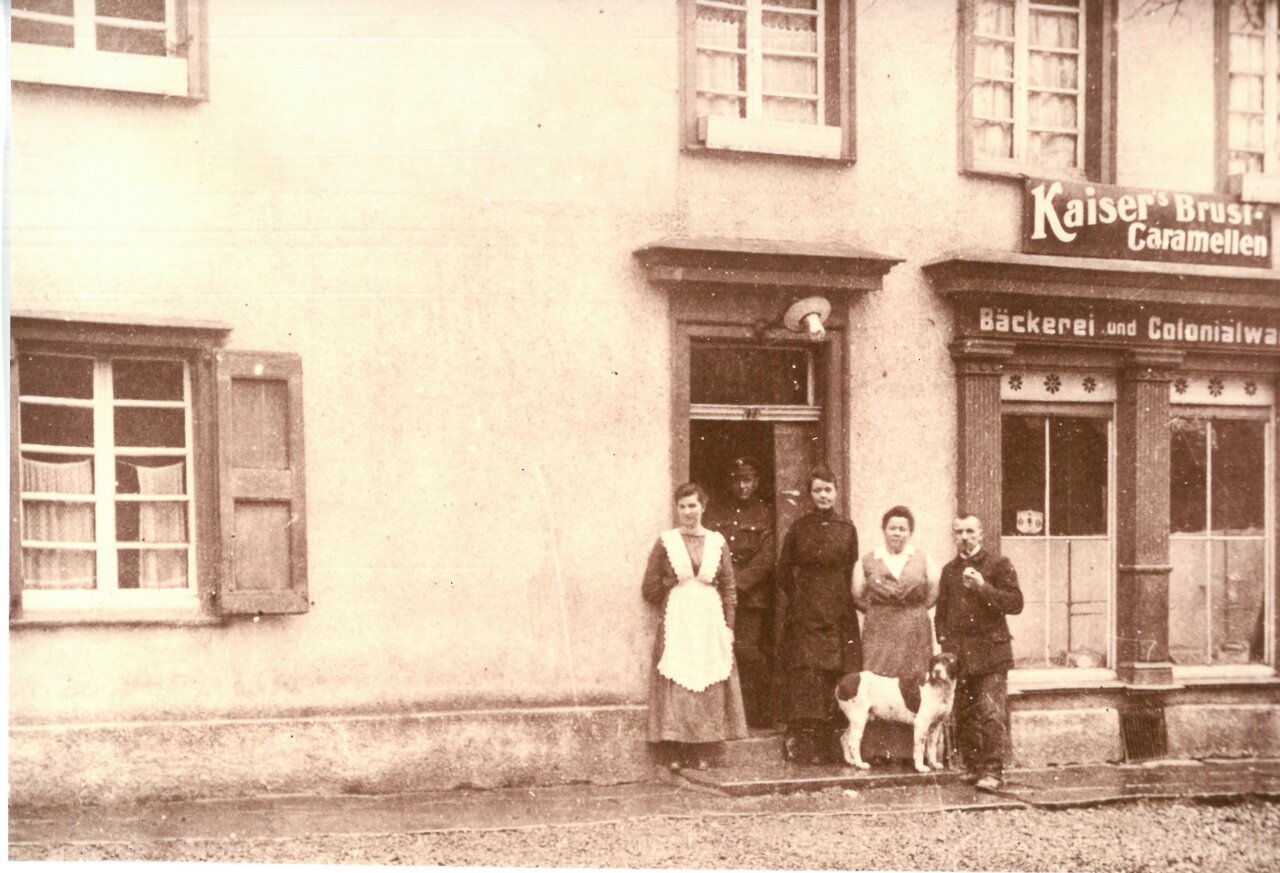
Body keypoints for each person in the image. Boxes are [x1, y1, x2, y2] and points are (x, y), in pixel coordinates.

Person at [642, 482, 748, 771]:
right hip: (678, 618)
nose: (688, 512)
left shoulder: (717, 542)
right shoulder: (666, 542)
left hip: (710, 619)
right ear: (676, 509)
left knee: (708, 678)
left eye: (693, 505)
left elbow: (729, 587)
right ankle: (676, 749)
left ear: (704, 506)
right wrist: (671, 582)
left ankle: (703, 748)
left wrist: (729, 626)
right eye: (682, 506)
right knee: (678, 679)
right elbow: (649, 589)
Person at [776, 466, 860, 764]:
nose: (823, 495)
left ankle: (832, 743)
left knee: (836, 669)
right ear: (810, 495)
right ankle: (807, 744)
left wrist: (841, 598)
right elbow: (784, 570)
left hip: (839, 607)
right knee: (808, 672)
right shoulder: (799, 528)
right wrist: (801, 597)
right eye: (817, 490)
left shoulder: (847, 528)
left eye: (828, 490)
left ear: (836, 492)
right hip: (807, 608)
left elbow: (853, 569)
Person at [934, 513, 1024, 791]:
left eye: (970, 531)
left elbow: (1015, 603)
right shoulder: (949, 570)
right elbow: (941, 614)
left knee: (991, 713)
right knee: (965, 714)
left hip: (991, 654)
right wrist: (947, 646)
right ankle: (973, 767)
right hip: (961, 657)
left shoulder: (998, 564)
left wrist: (983, 587)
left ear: (981, 534)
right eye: (959, 532)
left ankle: (993, 772)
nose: (964, 537)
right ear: (954, 536)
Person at [704, 456, 775, 728]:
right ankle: (720, 715)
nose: (742, 486)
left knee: (747, 652)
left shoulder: (765, 513)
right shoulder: (715, 511)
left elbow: (767, 556)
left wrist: (739, 585)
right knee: (716, 650)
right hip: (717, 592)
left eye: (748, 480)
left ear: (756, 482)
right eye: (737, 480)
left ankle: (759, 713)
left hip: (749, 596)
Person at [853, 505, 940, 681]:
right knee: (877, 678)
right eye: (892, 528)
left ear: (910, 532)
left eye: (902, 529)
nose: (897, 533)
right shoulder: (867, 561)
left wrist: (914, 610)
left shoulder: (924, 560)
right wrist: (879, 611)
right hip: (879, 629)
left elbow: (933, 592)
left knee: (915, 678)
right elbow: (857, 595)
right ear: (884, 530)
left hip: (914, 628)